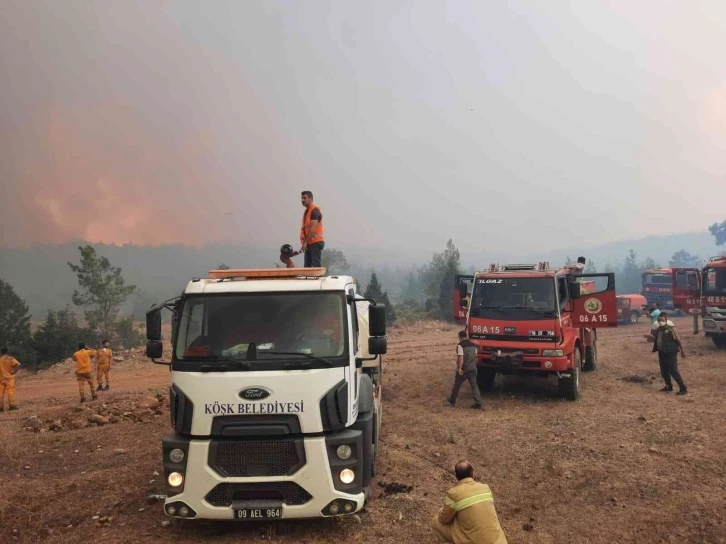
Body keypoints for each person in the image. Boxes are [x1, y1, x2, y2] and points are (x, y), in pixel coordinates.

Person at [430, 460, 508, 544]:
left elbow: (443, 520)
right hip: (499, 542)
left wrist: (441, 511)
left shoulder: (453, 493)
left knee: (435, 522)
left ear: (457, 476)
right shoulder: (485, 488)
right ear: (473, 473)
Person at [651, 313, 688, 395]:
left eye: (662, 320)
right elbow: (657, 339)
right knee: (664, 370)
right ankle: (668, 386)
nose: (661, 322)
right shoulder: (659, 329)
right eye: (659, 320)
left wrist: (682, 351)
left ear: (666, 320)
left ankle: (683, 388)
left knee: (673, 369)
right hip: (662, 351)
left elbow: (678, 340)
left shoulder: (671, 329)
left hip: (671, 351)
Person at [447, 330, 482, 410]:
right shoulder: (473, 345)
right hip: (473, 368)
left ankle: (452, 402)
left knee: (457, 385)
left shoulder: (460, 345)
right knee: (474, 386)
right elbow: (475, 357)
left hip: (464, 369)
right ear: (466, 336)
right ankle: (478, 403)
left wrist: (459, 369)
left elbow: (461, 358)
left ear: (459, 337)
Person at [299, 190, 325, 268]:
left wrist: (305, 243)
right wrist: (305, 243)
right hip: (309, 243)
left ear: (311, 199)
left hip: (315, 242)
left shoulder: (315, 211)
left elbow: (312, 229)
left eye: (305, 198)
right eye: (302, 198)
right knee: (307, 267)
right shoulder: (307, 211)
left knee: (316, 265)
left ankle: (318, 280)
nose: (302, 200)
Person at [0, 347, 21, 412]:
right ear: (7, 351)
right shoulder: (10, 359)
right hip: (10, 378)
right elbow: (18, 365)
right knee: (10, 392)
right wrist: (14, 372)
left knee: (0, 393)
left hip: (1, 378)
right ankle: (11, 406)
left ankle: (0, 408)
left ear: (1, 352)